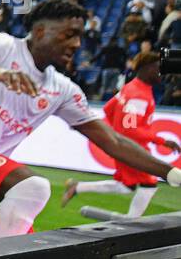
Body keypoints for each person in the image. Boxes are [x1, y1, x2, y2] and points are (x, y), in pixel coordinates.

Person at [0, 0, 181, 242]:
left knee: (14, 254)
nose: (77, 44)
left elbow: (113, 140)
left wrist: (170, 173)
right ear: (40, 32)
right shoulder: (1, 46)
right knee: (34, 187)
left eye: (80, 36)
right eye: (69, 35)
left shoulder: (62, 89)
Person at [61, 51, 180, 217]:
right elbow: (131, 129)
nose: (162, 73)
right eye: (158, 68)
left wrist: (113, 134)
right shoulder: (139, 95)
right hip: (133, 150)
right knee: (149, 184)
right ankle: (131, 224)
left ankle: (77, 187)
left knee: (126, 186)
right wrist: (161, 140)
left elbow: (108, 109)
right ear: (146, 69)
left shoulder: (129, 87)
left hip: (123, 147)